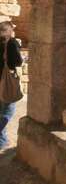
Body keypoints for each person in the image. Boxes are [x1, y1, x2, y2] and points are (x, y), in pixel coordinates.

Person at [0, 21, 23, 150]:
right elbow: (17, 62)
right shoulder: (11, 43)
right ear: (9, 31)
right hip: (6, 83)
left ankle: (2, 141)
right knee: (8, 111)